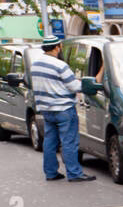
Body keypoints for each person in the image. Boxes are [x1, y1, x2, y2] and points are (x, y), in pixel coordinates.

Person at [32, 35, 94, 182]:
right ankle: (74, 173)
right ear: (57, 47)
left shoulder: (35, 65)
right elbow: (75, 87)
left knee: (49, 142)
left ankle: (51, 172)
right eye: (60, 46)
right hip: (64, 109)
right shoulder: (60, 65)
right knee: (69, 142)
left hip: (46, 109)